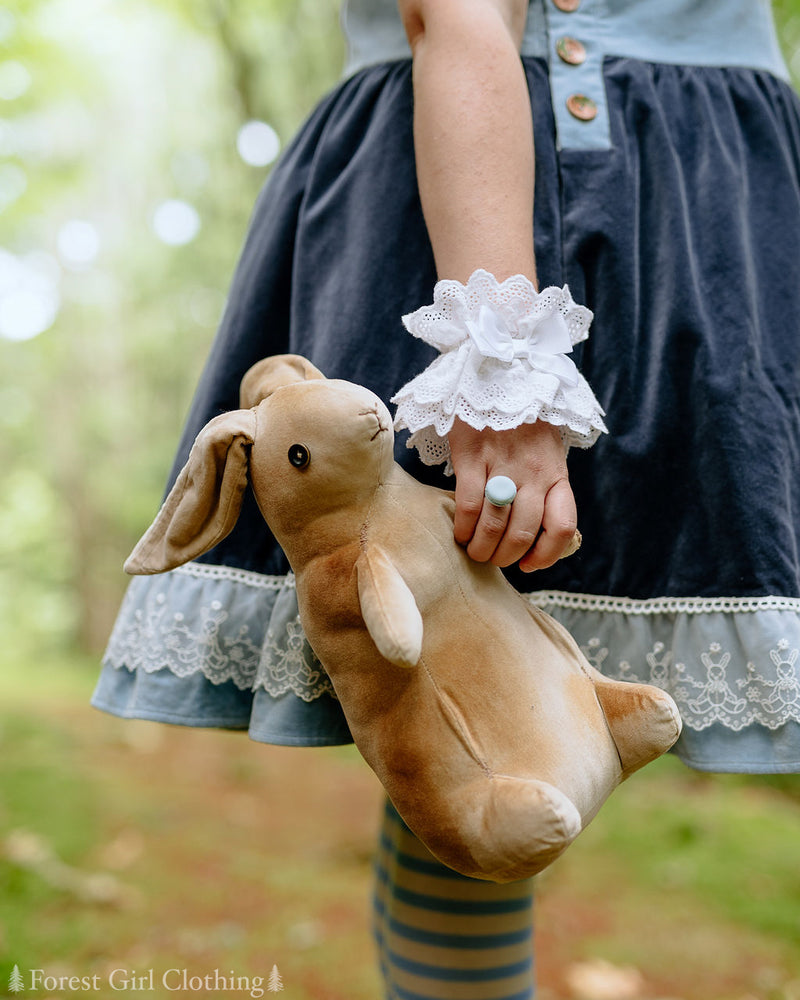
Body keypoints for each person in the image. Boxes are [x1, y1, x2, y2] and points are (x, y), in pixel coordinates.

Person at [93, 0, 800, 996]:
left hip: (717, 216)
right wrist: (498, 370)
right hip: (447, 207)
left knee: (461, 710)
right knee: (446, 716)